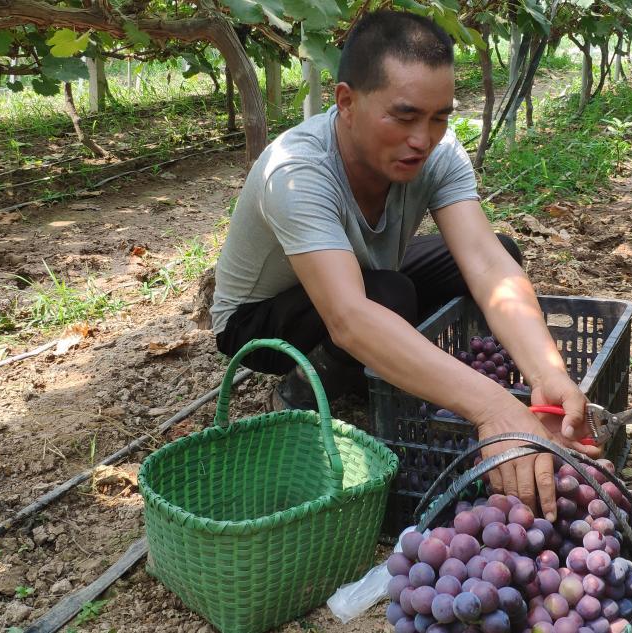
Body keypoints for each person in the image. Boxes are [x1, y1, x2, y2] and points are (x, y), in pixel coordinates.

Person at [210, 10, 601, 520]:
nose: (424, 137)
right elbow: (349, 317)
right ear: (346, 102)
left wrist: (547, 374)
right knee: (385, 300)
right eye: (405, 115)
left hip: (365, 274)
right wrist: (493, 407)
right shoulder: (297, 171)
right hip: (259, 320)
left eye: (439, 116)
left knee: (499, 250)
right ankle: (304, 387)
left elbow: (487, 266)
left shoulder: (437, 151)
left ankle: (399, 359)